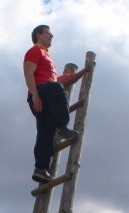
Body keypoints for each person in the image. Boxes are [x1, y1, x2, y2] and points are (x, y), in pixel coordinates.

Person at [24, 25, 78, 183]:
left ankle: (40, 169)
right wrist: (35, 95)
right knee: (58, 89)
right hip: (39, 92)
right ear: (39, 35)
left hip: (45, 91)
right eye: (48, 33)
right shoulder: (35, 51)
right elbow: (28, 72)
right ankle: (63, 126)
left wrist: (77, 74)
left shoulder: (48, 57)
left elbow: (53, 80)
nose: (52, 35)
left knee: (45, 132)